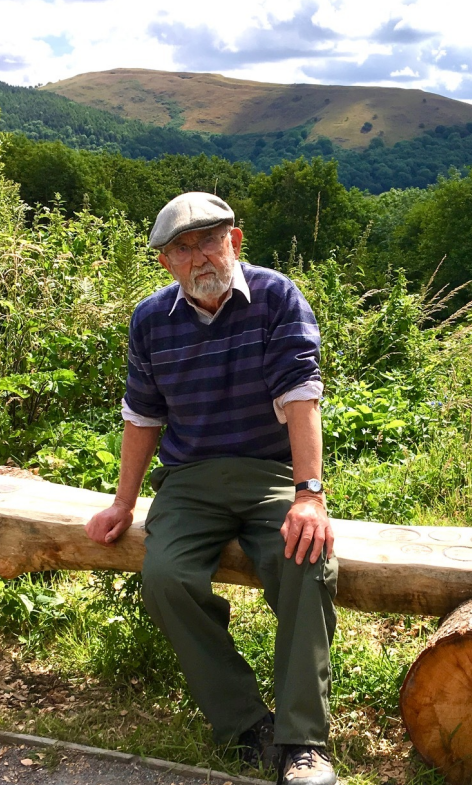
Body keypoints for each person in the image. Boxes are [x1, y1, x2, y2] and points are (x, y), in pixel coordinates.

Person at [85, 192, 338, 785]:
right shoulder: (151, 320)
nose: (199, 257)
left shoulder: (276, 297)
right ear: (165, 262)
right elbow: (142, 415)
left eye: (209, 240)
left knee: (306, 561)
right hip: (189, 481)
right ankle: (245, 723)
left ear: (235, 242)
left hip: (270, 473)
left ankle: (303, 741)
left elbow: (302, 394)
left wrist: (309, 495)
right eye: (182, 247)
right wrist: (123, 503)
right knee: (165, 578)